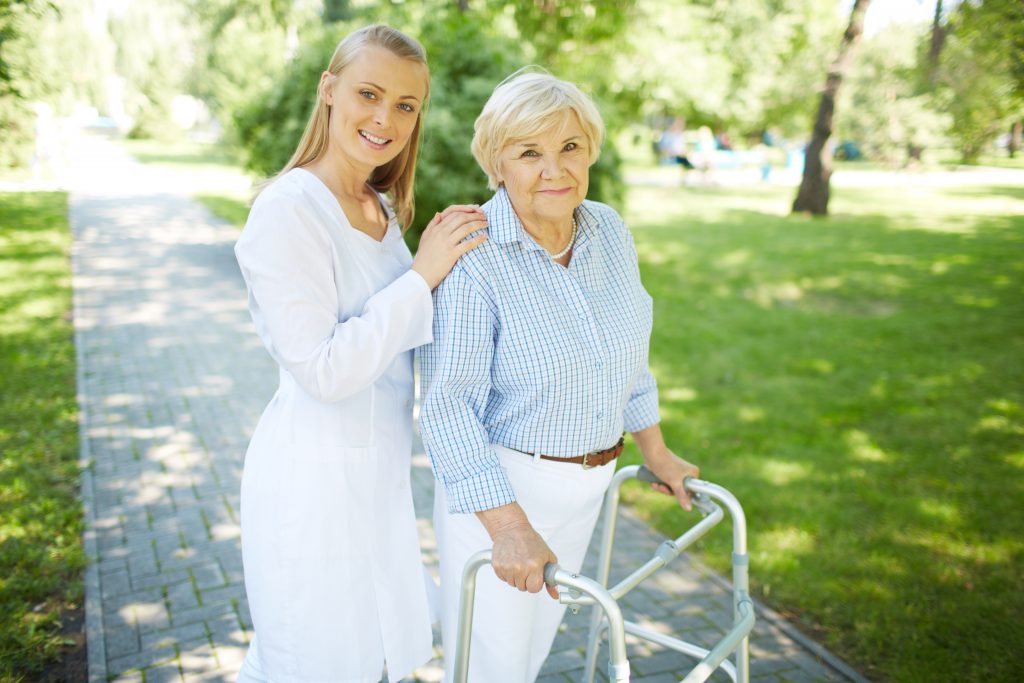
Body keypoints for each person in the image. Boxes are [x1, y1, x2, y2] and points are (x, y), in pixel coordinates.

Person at [419, 71, 701, 683]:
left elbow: (625, 357)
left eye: (570, 147)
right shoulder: (474, 257)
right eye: (530, 153)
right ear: (498, 163)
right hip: (503, 497)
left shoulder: (607, 230)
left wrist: (656, 450)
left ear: (591, 150)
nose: (555, 169)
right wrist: (512, 530)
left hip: (588, 488)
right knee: (490, 667)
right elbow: (446, 408)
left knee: (535, 654)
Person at [233, 24, 486, 683]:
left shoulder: (377, 207)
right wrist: (422, 276)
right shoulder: (287, 211)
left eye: (406, 105)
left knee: (376, 657)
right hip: (311, 485)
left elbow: (401, 333)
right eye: (369, 94)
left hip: (377, 483)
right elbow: (324, 369)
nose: (385, 119)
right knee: (305, 664)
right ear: (329, 90)